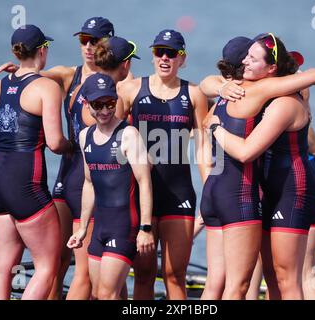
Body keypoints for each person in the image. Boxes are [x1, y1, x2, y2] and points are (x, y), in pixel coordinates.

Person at [0, 17, 117, 299]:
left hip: (96, 181)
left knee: (83, 269)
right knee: (56, 262)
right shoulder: (65, 75)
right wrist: (19, 69)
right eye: (83, 40)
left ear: (107, 43)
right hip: (68, 177)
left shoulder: (121, 81)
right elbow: (31, 78)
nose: (87, 47)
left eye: (94, 41)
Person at [200, 36, 315, 300]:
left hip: (292, 192)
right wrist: (221, 86)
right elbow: (207, 82)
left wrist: (215, 129)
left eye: (253, 59)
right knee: (271, 275)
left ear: (271, 71)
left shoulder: (283, 103)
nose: (245, 62)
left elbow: (246, 152)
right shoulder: (255, 93)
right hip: (265, 190)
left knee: (286, 277)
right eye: (246, 57)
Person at [117, 29, 209, 299]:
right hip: (140, 196)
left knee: (174, 276)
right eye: (159, 52)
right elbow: (112, 141)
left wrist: (210, 191)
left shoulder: (194, 94)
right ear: (153, 55)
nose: (165, 58)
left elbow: (203, 149)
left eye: (172, 53)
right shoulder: (131, 90)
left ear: (183, 59)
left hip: (179, 195)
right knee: (143, 275)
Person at [0, 25, 73, 299]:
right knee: (47, 266)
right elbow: (56, 143)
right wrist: (77, 147)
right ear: (43, 51)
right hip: (24, 182)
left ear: (16, 52)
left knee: (2, 268)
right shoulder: (46, 87)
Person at [67, 73, 155, 300]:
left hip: (125, 227)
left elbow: (145, 182)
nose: (105, 110)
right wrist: (83, 228)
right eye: (98, 105)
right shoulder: (85, 136)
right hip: (99, 229)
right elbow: (89, 183)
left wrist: (145, 229)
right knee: (99, 294)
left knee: (107, 294)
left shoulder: (128, 135)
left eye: (110, 103)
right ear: (86, 104)